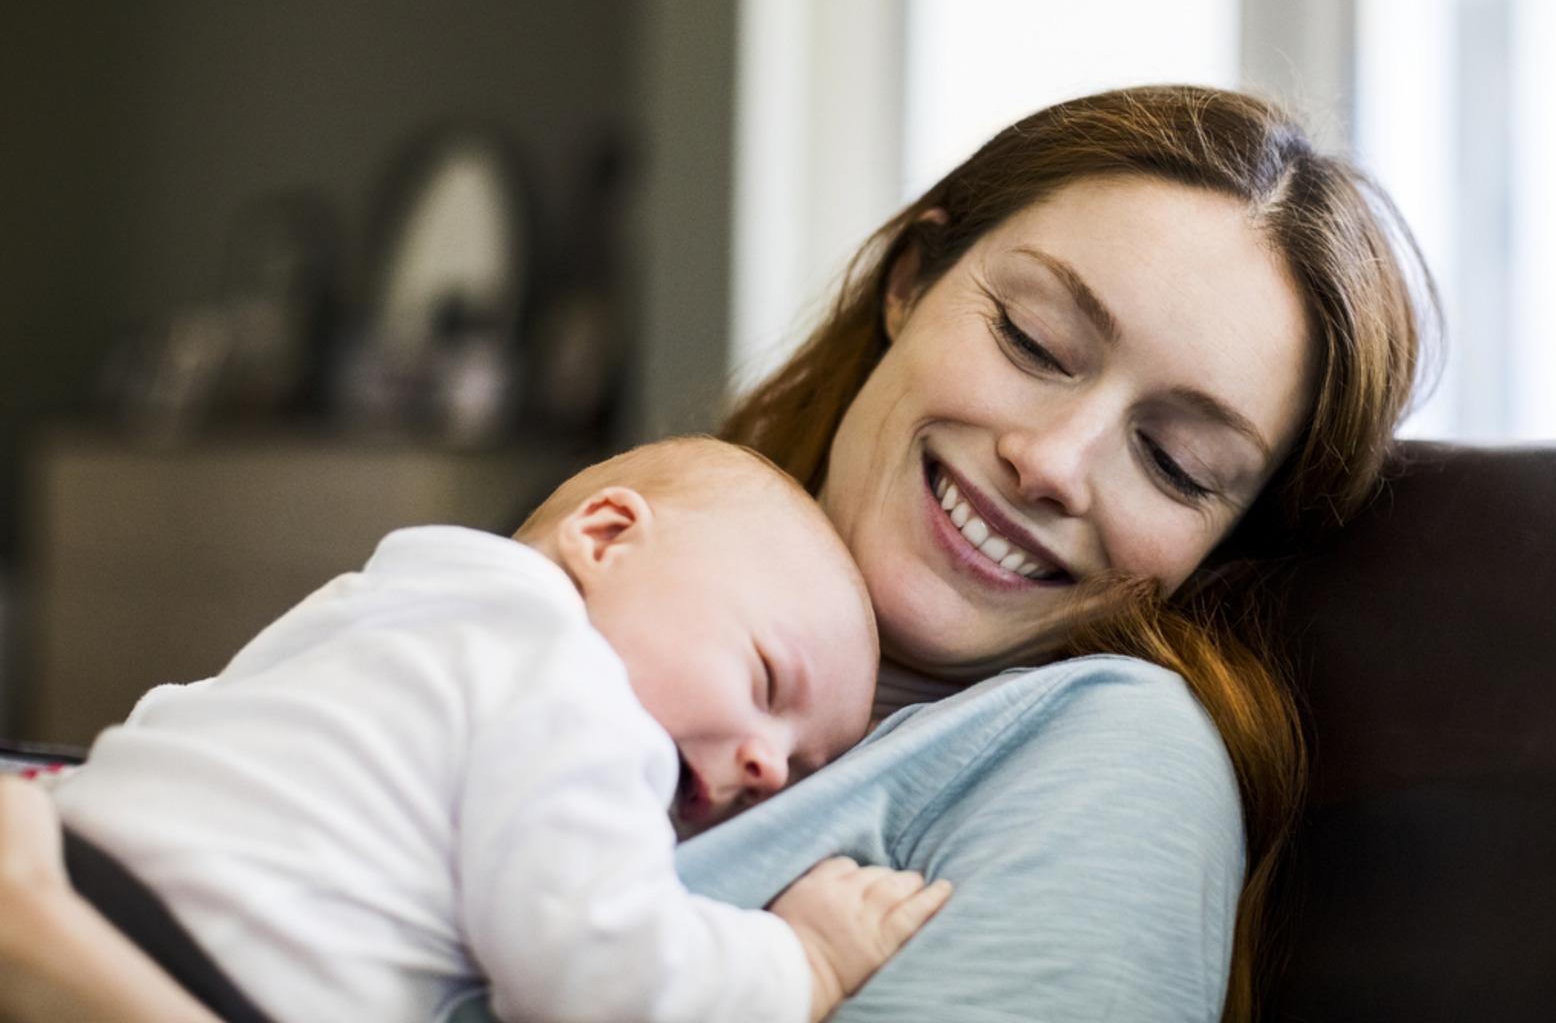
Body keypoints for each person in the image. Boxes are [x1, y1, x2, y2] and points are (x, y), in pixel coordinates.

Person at [0, 84, 1435, 1023]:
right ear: (912, 280)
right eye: (1034, 338)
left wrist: (68, 966)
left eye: (1177, 461)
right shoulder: (598, 602)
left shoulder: (1115, 754)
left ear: (1223, 543)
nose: (1056, 462)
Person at [45, 438, 951, 1023]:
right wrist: (804, 960)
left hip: (77, 862)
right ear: (606, 536)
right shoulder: (570, 684)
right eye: (765, 680)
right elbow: (602, 977)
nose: (767, 766)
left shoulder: (391, 602)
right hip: (192, 964)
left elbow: (184, 713)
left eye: (799, 768)